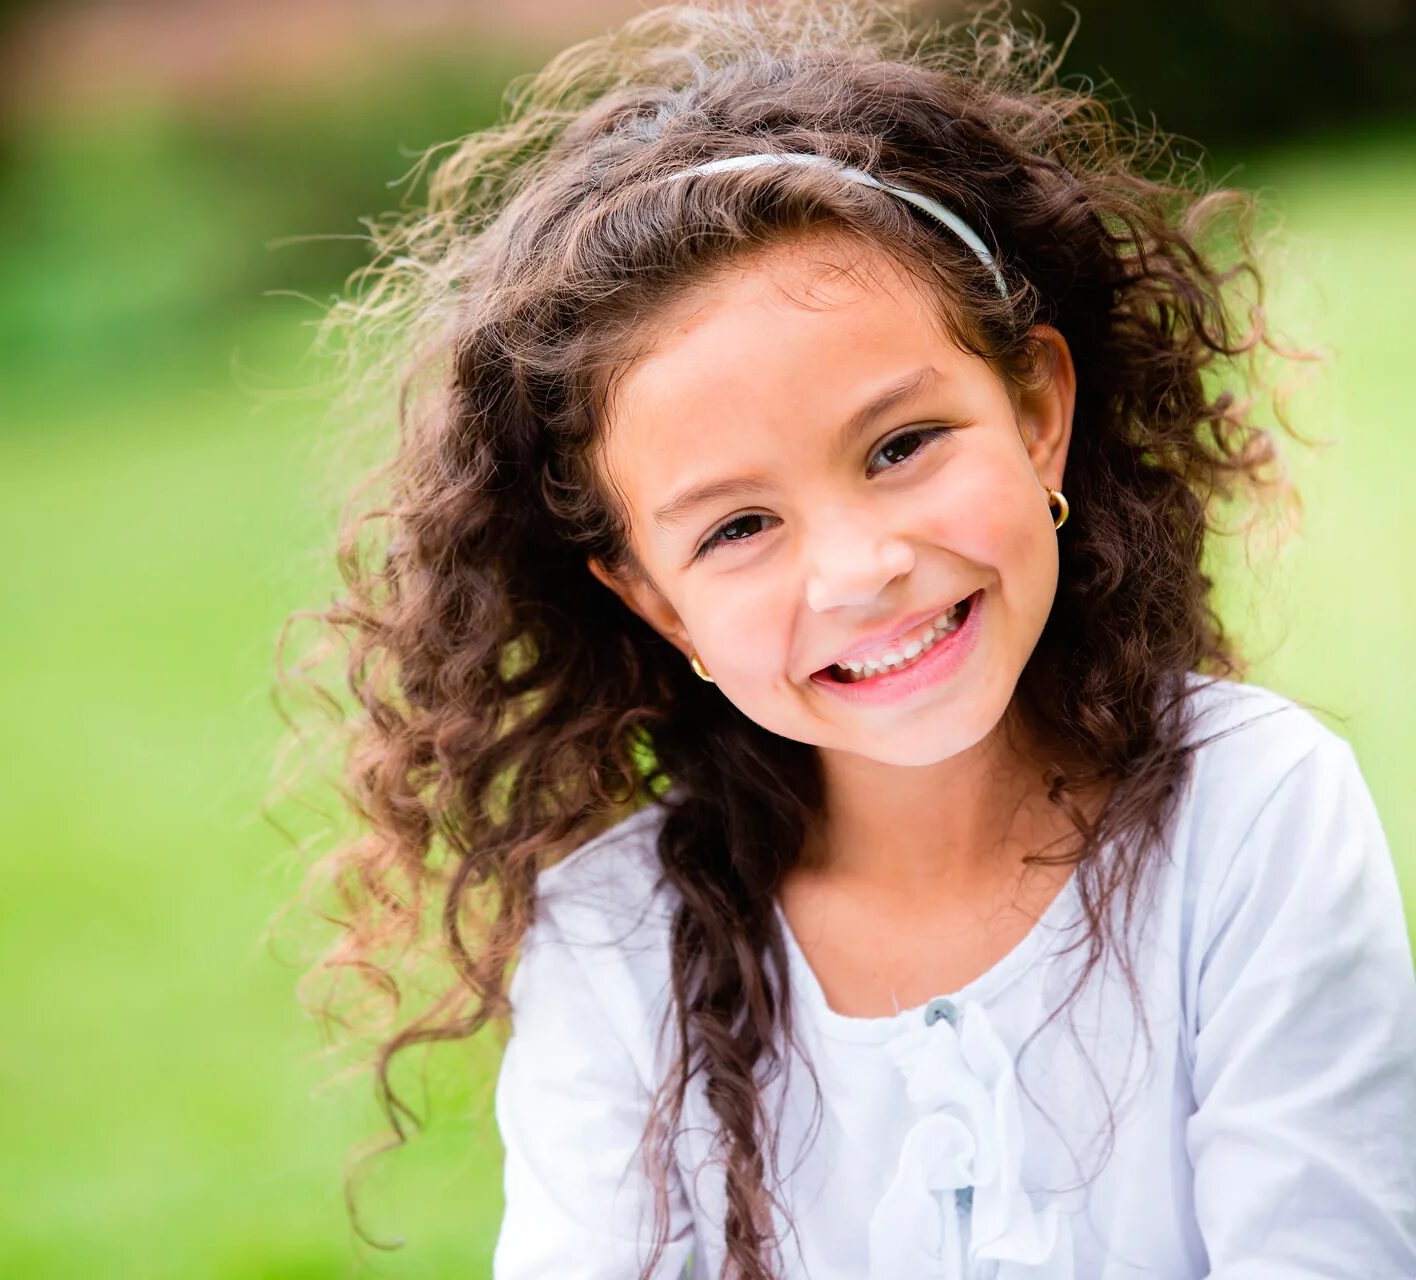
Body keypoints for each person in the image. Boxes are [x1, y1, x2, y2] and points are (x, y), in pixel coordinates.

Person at [273, 1, 1416, 1276]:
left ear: (1037, 409)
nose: (861, 567)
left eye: (901, 445)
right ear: (655, 600)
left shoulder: (1251, 811)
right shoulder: (613, 939)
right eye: (740, 526)